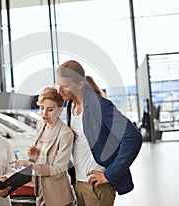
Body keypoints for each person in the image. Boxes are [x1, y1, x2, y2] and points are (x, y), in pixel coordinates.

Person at [56, 60, 143, 206]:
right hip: (79, 183)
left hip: (97, 186)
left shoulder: (101, 106)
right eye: (58, 84)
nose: (60, 90)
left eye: (65, 85)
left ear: (80, 84)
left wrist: (110, 175)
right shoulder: (71, 105)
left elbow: (132, 137)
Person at [11, 86, 75, 206]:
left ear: (60, 110)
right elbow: (43, 159)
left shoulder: (66, 134)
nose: (44, 113)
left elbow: (58, 171)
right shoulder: (41, 125)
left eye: (50, 109)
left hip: (58, 196)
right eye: (41, 108)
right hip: (41, 192)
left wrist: (31, 164)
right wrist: (35, 156)